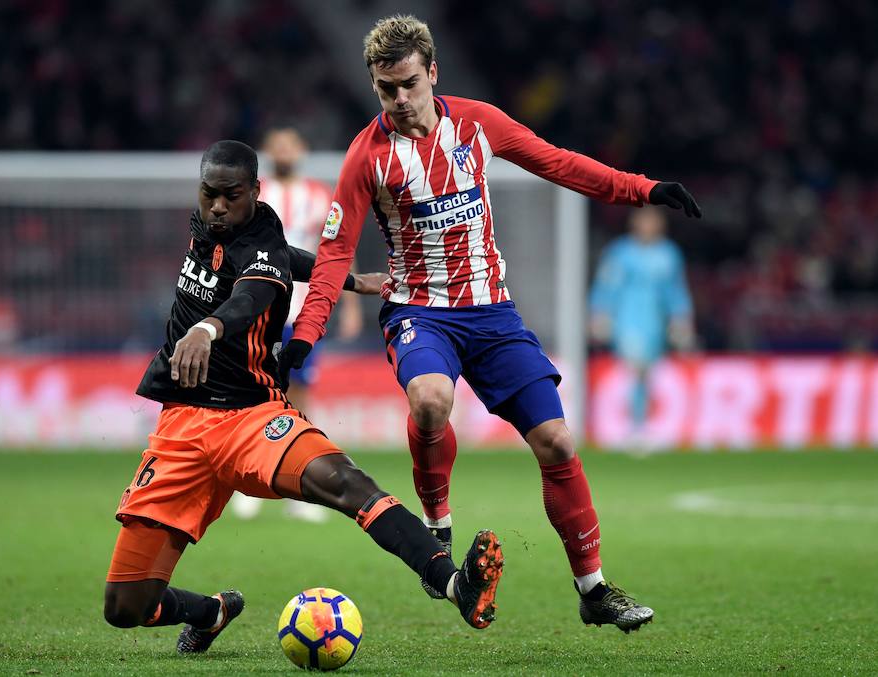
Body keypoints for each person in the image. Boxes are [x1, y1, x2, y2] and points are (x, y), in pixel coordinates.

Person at [278, 15, 701, 633]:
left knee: (556, 442)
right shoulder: (366, 156)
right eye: (385, 89)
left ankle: (593, 589)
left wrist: (642, 189)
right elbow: (337, 254)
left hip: (492, 312)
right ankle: (438, 524)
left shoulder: (477, 123)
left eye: (408, 84)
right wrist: (305, 336)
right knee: (429, 399)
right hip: (419, 311)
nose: (398, 100)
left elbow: (559, 164)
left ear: (433, 74)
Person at [102, 140, 505, 654]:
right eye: (210, 195)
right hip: (180, 430)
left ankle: (454, 583)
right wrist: (352, 280)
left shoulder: (261, 246)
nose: (219, 206)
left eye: (231, 196)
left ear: (255, 191)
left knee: (344, 482)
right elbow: (287, 258)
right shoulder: (210, 225)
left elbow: (251, 295)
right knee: (125, 607)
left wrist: (206, 328)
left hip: (250, 419)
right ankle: (210, 612)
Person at [230, 127, 367, 523]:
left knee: (301, 394)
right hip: (258, 309)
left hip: (303, 312)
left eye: (291, 144)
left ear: (302, 150)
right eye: (278, 145)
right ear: (268, 151)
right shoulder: (255, 195)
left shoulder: (319, 195)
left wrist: (352, 304)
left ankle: (298, 488)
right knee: (254, 392)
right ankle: (250, 482)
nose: (285, 151)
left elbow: (336, 248)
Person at [590, 208, 694, 449]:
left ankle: (639, 426)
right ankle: (633, 427)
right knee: (636, 366)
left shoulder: (669, 254)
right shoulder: (620, 252)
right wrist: (600, 313)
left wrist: (681, 319)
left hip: (654, 321)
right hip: (627, 318)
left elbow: (676, 290)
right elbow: (606, 285)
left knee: (646, 372)